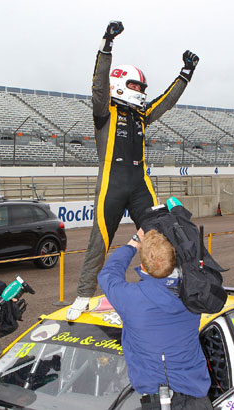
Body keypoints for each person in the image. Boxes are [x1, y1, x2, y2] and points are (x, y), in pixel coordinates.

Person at [67, 20, 200, 320]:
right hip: (111, 186)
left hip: (140, 185)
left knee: (162, 232)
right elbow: (98, 83)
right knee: (98, 242)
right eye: (135, 86)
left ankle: (171, 278)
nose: (140, 91)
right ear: (120, 83)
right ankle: (83, 294)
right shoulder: (104, 111)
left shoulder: (141, 115)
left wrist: (185, 74)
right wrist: (107, 44)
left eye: (142, 87)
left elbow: (165, 102)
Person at [98, 228, 213, 410]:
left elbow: (108, 274)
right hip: (197, 400)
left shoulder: (131, 298)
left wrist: (135, 240)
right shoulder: (195, 295)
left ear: (143, 266)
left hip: (157, 402)